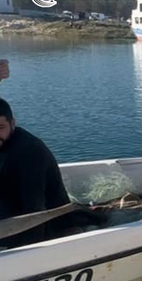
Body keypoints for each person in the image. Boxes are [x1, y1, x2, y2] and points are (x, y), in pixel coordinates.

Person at [0, 98, 101, 249]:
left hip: (48, 227)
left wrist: (29, 254)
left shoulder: (29, 152)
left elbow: (34, 209)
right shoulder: (4, 144)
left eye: (0, 127)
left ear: (13, 124)